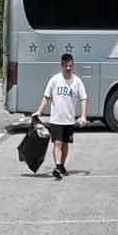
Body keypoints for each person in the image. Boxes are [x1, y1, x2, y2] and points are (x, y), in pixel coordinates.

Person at [34, 52, 89, 180]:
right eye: (66, 66)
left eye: (70, 65)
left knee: (65, 144)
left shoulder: (77, 81)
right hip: (56, 120)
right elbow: (46, 97)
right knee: (57, 143)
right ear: (62, 65)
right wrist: (39, 111)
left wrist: (83, 116)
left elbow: (84, 98)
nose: (68, 68)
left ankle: (62, 165)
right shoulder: (55, 80)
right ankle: (58, 167)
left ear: (73, 65)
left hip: (69, 120)